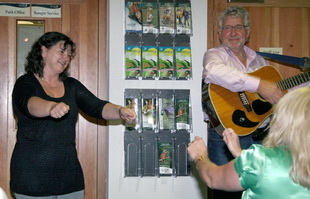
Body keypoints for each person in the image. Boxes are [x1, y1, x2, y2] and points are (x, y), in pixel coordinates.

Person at [10, 32, 136, 198]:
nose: (66, 57)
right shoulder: (25, 83)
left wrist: (120, 110)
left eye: (69, 54)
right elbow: (30, 104)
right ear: (43, 51)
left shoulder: (72, 86)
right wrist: (51, 107)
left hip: (69, 177)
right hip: (31, 176)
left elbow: (97, 106)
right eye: (61, 51)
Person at [201, 6, 309, 198]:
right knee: (225, 190)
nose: (232, 32)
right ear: (219, 33)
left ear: (248, 32)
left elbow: (278, 95)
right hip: (227, 132)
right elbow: (213, 72)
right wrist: (259, 85)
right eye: (227, 28)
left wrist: (303, 85)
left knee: (259, 187)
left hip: (262, 135)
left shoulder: (260, 61)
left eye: (238, 27)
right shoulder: (215, 55)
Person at [189, 87, 310, 199]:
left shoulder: (260, 160)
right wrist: (239, 153)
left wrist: (200, 156)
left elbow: (212, 179)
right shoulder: (258, 161)